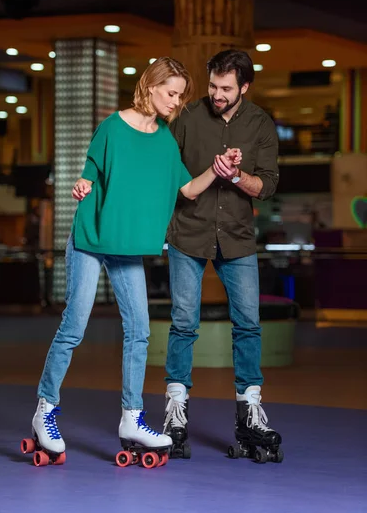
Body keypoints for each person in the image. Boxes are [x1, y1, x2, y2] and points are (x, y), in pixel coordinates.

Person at [29, 57, 242, 462]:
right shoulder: (112, 126)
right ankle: (45, 410)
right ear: (151, 85)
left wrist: (218, 169)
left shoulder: (164, 140)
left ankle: (132, 417)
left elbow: (189, 189)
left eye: (181, 96)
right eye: (171, 93)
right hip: (92, 239)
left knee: (140, 331)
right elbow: (89, 170)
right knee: (74, 326)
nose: (176, 102)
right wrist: (81, 183)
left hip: (127, 250)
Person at [162, 49, 283, 461]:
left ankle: (250, 411)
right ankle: (175, 416)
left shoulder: (260, 124)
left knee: (248, 325)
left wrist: (237, 176)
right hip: (188, 234)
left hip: (236, 238)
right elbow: (167, 169)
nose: (216, 94)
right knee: (183, 324)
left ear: (244, 87)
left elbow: (266, 185)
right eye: (213, 85)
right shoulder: (188, 117)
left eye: (226, 88)